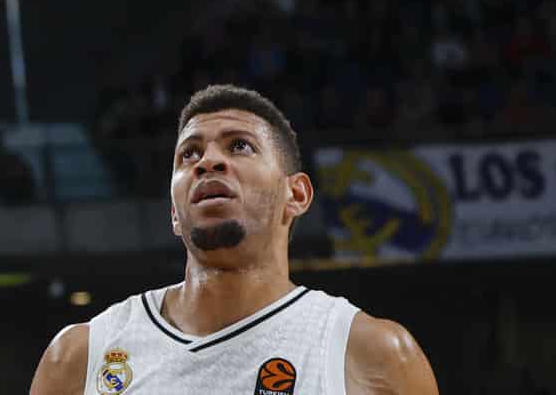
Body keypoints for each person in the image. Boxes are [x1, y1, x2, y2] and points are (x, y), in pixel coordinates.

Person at [29, 84, 439, 395]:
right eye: (188, 154)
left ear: (295, 195)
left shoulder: (374, 355)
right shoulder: (79, 358)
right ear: (174, 212)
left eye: (239, 145)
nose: (207, 161)